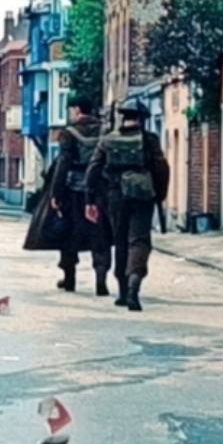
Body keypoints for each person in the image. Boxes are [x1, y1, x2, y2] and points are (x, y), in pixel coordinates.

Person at [87, 99, 170, 312]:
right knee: (139, 241)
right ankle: (134, 286)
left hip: (115, 196)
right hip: (143, 195)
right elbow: (161, 168)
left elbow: (93, 170)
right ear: (142, 119)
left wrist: (90, 200)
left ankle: (123, 293)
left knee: (120, 241)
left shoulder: (107, 140)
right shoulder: (149, 139)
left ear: (123, 118)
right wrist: (159, 193)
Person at [49, 95, 110, 295]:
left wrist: (55, 193)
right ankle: (101, 281)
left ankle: (69, 279)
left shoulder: (69, 133)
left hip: (74, 190)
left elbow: (62, 164)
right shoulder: (106, 131)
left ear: (77, 110)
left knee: (69, 234)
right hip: (100, 189)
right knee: (100, 235)